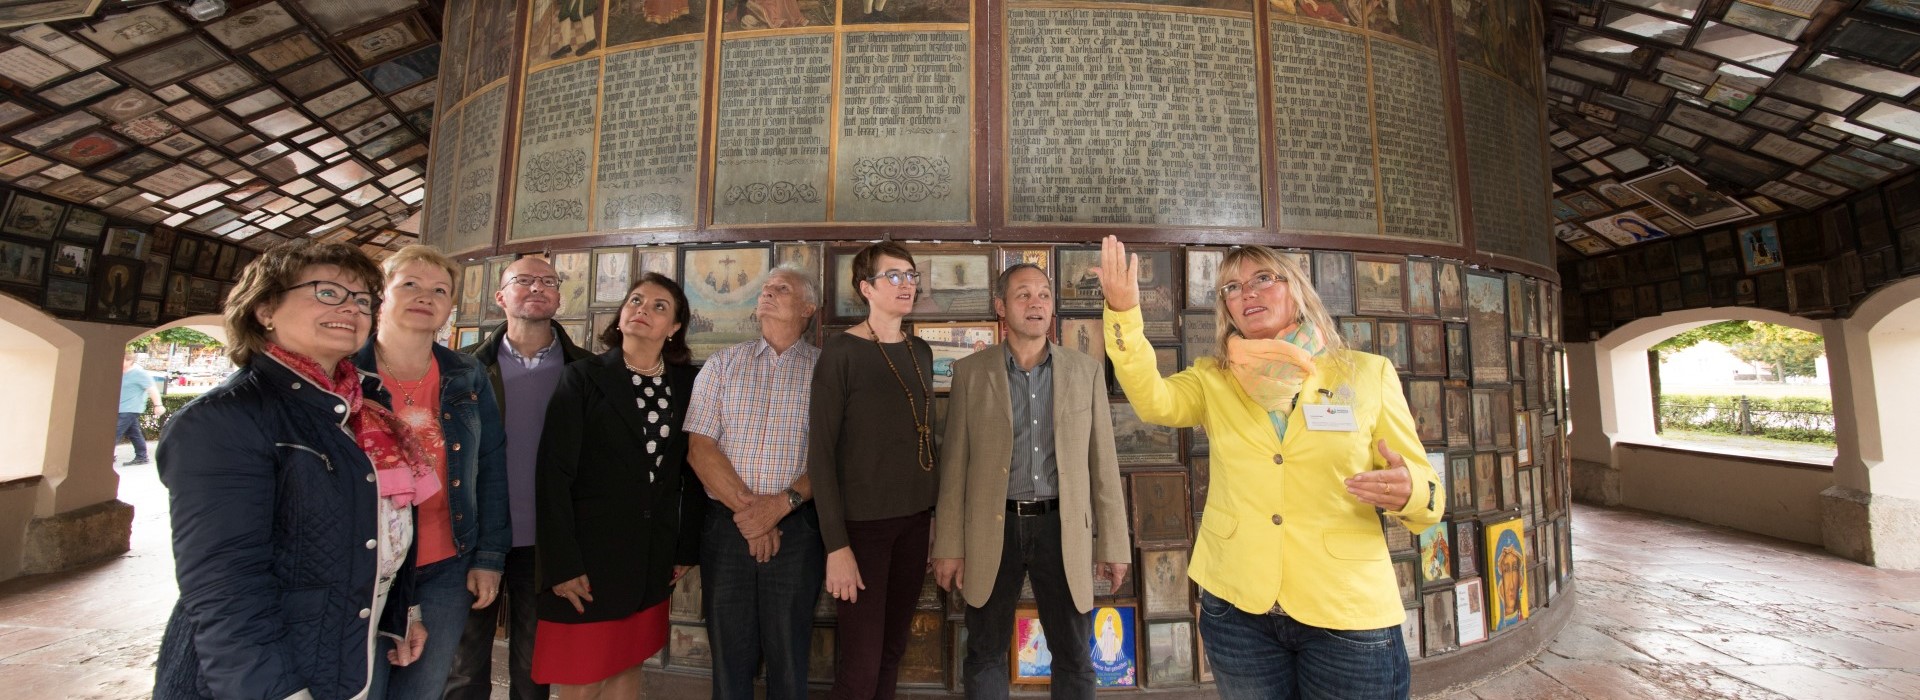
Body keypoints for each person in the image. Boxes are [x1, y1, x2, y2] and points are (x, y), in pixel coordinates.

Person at [1094, 236, 1442, 700]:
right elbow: (1153, 399)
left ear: (1296, 290)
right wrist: (1122, 311)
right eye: (1233, 288)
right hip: (1239, 611)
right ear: (1228, 310)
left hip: (1345, 609)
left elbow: (1428, 490)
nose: (1247, 293)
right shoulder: (1212, 379)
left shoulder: (1366, 373)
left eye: (1262, 279)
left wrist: (1410, 491)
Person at [154, 239, 430, 699]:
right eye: (327, 292)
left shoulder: (361, 409)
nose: (351, 308)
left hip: (342, 649)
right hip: (270, 675)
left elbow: (381, 524)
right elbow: (226, 586)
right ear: (265, 308)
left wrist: (402, 609)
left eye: (363, 299)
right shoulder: (226, 418)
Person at [932, 263, 1130, 700]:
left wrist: (1114, 544)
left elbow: (1104, 466)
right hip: (992, 527)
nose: (1036, 302)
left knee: (1075, 654)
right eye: (1023, 294)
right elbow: (954, 471)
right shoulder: (971, 374)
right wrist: (947, 545)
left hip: (1061, 528)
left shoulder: (1085, 371)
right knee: (983, 651)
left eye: (1043, 294)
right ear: (1002, 307)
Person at [532, 273, 704, 698]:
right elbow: (553, 473)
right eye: (636, 300)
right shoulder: (584, 377)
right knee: (583, 677)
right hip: (588, 558)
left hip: (650, 557)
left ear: (675, 328)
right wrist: (561, 563)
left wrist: (685, 547)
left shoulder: (687, 383)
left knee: (628, 668)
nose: (643, 309)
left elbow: (693, 470)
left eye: (659, 306)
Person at [351, 246, 508, 700]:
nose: (425, 296)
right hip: (365, 565)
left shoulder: (466, 373)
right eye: (410, 285)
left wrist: (488, 558)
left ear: (450, 305)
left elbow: (491, 466)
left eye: (439, 290)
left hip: (445, 564)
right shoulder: (345, 371)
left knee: (423, 689)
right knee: (363, 687)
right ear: (382, 294)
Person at [448, 256, 593, 700]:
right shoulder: (464, 370)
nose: (536, 288)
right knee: (463, 664)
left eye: (547, 281)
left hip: (546, 541)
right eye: (524, 280)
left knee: (534, 669)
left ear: (559, 297)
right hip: (473, 537)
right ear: (500, 296)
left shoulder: (585, 371)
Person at [684, 266, 824, 700]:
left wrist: (778, 507)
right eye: (764, 289)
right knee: (729, 657)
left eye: (781, 289)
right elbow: (700, 449)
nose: (767, 294)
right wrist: (754, 515)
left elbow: (834, 456)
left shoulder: (827, 371)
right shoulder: (723, 364)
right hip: (728, 530)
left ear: (808, 309)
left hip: (797, 529)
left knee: (789, 655)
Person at [808, 241, 938, 700]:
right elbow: (820, 455)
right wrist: (836, 545)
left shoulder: (919, 350)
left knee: (891, 652)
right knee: (860, 666)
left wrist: (934, 520)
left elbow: (926, 440)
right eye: (894, 276)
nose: (907, 285)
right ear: (866, 287)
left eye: (911, 275)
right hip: (861, 531)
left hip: (915, 522)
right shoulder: (841, 352)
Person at [117, 352, 164, 466]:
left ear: (129, 361)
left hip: (130, 408)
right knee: (134, 433)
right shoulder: (119, 372)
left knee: (114, 432)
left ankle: (102, 456)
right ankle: (141, 456)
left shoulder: (139, 374)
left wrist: (158, 405)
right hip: (120, 408)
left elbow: (152, 389)